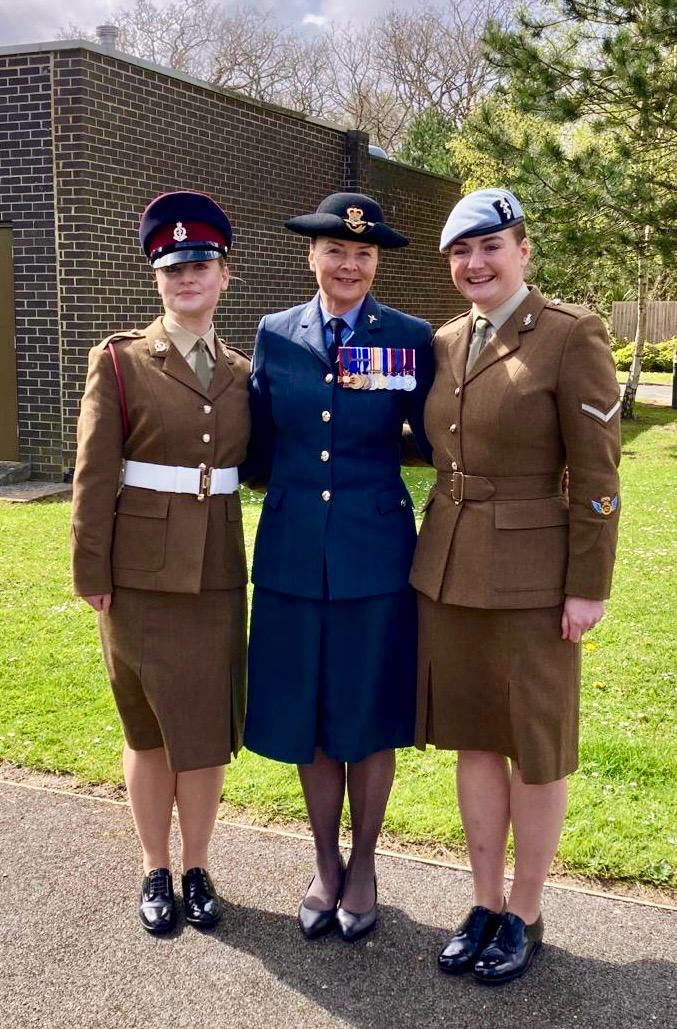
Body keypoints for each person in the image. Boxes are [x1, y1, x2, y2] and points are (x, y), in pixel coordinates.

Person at [409, 188, 621, 984]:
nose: (473, 263)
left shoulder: (571, 336)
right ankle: (483, 900)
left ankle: (525, 912)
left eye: (489, 246)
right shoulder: (443, 341)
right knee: (473, 739)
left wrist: (586, 585)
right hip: (450, 568)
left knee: (533, 750)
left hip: (536, 580)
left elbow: (598, 475)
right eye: (459, 252)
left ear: (523, 251)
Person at [244, 192, 433, 942]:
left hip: (375, 552)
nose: (348, 263)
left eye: (362, 253)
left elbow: (436, 432)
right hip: (292, 553)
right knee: (310, 717)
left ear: (374, 261)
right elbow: (256, 440)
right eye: (335, 251)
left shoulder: (410, 337)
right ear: (311, 257)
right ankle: (324, 861)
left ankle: (365, 863)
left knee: (367, 717)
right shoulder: (274, 333)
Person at [71, 191, 251, 934]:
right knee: (147, 729)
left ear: (224, 274)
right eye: (173, 266)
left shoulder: (243, 373)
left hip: (214, 569)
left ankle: (199, 865)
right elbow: (91, 474)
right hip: (139, 575)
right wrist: (92, 573)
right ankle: (154, 864)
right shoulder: (118, 361)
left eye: (200, 263)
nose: (187, 277)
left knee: (203, 728)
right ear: (156, 276)